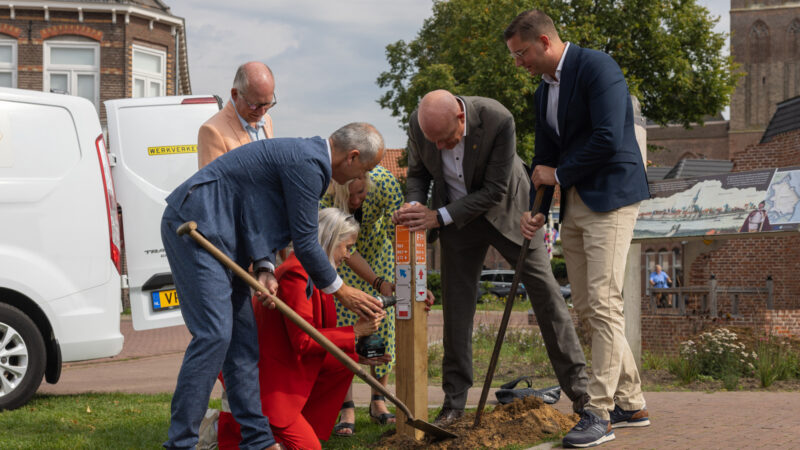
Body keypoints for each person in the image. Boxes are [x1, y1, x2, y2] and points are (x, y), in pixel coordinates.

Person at [160, 122, 386, 450]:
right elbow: (307, 242)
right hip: (196, 225)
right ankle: (180, 444)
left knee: (242, 344)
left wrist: (265, 266)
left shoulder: (308, 162)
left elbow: (257, 213)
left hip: (226, 238)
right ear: (351, 156)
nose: (357, 178)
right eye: (362, 169)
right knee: (215, 335)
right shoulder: (310, 164)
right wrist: (342, 291)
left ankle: (259, 440)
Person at [392, 89, 589, 427]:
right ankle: (454, 404)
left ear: (460, 117)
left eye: (445, 139)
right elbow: (418, 174)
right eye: (432, 140)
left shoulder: (497, 118)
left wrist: (438, 217)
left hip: (508, 213)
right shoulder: (419, 123)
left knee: (547, 297)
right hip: (455, 220)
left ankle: (583, 396)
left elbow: (495, 190)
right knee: (456, 309)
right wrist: (414, 206)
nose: (439, 147)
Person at [506, 10, 652, 448]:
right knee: (589, 307)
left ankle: (600, 412)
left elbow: (609, 137)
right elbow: (545, 159)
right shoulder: (542, 92)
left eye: (522, 53)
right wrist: (538, 207)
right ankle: (633, 403)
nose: (519, 63)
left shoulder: (597, 67)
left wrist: (558, 174)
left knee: (605, 304)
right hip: (572, 203)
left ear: (546, 42)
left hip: (610, 196)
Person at [216, 208, 389, 450]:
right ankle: (230, 428)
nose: (348, 255)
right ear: (329, 240)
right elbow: (304, 341)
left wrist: (356, 351)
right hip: (268, 383)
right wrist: (356, 332)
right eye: (347, 247)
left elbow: (315, 335)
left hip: (280, 374)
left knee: (344, 363)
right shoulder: (297, 273)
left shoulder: (314, 275)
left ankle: (237, 429)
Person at [320, 167, 403, 434]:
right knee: (345, 330)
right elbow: (346, 248)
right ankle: (347, 406)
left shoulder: (386, 184)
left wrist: (403, 278)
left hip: (381, 256)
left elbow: (398, 231)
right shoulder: (325, 190)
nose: (356, 201)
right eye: (350, 196)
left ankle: (378, 400)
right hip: (341, 258)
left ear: (368, 182)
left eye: (360, 193)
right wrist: (375, 282)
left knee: (382, 326)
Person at [198, 61, 276, 169]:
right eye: (254, 105)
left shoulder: (267, 120)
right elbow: (214, 185)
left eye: (267, 104)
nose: (262, 112)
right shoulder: (212, 131)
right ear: (235, 94)